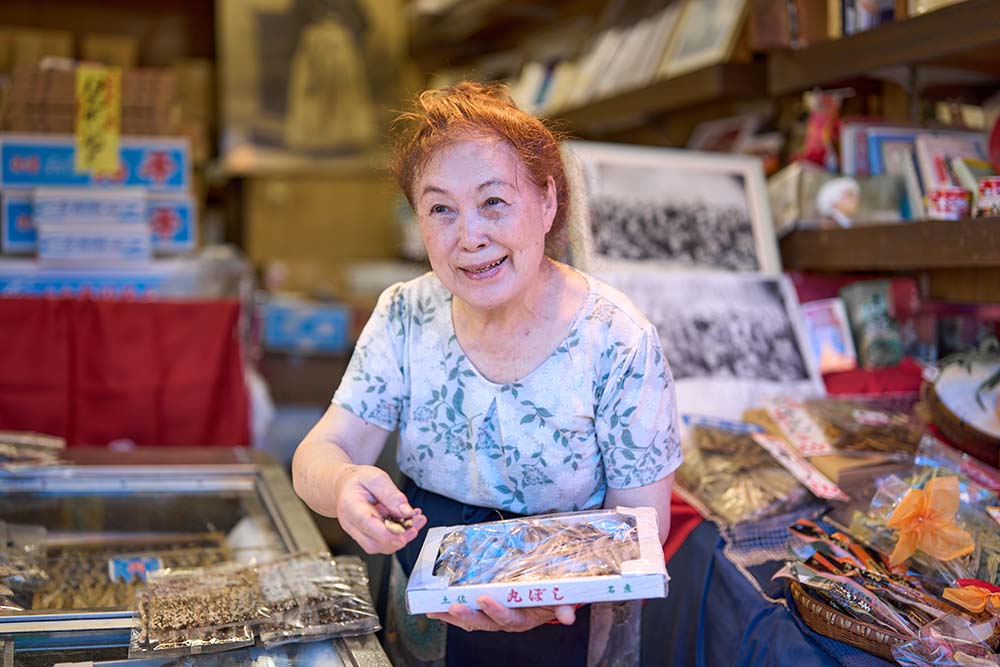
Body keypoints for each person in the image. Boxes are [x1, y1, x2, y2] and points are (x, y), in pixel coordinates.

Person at [292, 81, 682, 667]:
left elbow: (641, 524)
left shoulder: (617, 339)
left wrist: (534, 592)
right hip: (426, 601)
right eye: (441, 208)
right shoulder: (405, 313)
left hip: (569, 609)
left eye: (494, 202)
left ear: (547, 201)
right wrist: (343, 485)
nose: (470, 236)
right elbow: (322, 450)